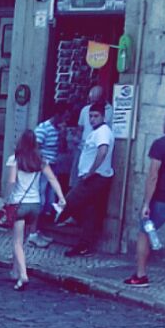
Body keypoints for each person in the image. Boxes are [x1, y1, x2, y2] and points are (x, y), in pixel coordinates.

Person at [125, 105, 165, 286]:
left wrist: (146, 204)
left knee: (145, 232)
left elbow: (153, 176)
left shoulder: (160, 144)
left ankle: (141, 275)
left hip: (162, 199)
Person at [0, 129, 66, 290]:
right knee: (22, 240)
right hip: (35, 206)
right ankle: (15, 271)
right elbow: (52, 179)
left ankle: (23, 275)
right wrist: (61, 197)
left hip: (19, 205)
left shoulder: (15, 160)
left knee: (17, 242)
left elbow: (11, 182)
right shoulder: (40, 161)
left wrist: (6, 200)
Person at [55, 103, 115, 256]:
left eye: (96, 116)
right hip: (91, 176)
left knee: (71, 200)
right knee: (89, 212)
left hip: (95, 178)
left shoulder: (102, 132)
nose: (92, 119)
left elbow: (102, 151)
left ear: (103, 116)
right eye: (90, 116)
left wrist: (91, 172)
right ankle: (84, 244)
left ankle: (60, 216)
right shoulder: (95, 132)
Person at [28, 101, 69, 247]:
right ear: (57, 115)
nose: (66, 120)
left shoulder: (57, 129)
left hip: (53, 168)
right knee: (40, 199)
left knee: (47, 202)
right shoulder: (43, 129)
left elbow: (62, 149)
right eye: (64, 116)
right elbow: (34, 149)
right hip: (43, 169)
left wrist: (63, 135)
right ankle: (32, 234)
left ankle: (37, 231)